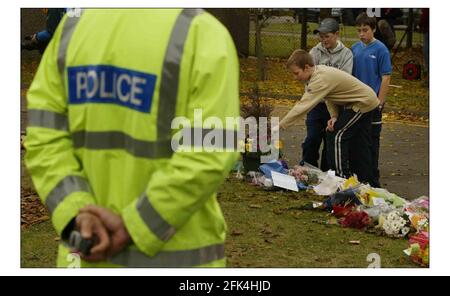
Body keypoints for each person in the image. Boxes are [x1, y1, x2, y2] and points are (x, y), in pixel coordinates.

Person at [24, 9, 240, 267]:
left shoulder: (71, 30)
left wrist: (76, 215)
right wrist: (133, 225)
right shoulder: (202, 34)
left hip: (84, 254)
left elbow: (43, 137)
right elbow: (210, 149)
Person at [277, 50, 379, 184]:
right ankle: (368, 182)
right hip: (359, 102)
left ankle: (340, 179)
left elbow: (303, 106)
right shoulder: (318, 74)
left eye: (296, 73)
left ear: (307, 67)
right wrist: (334, 116)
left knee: (337, 135)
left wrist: (280, 125)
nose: (295, 78)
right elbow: (330, 96)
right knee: (358, 144)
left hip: (363, 103)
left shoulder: (319, 79)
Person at [302, 18, 353, 171]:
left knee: (329, 142)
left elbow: (344, 80)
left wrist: (325, 87)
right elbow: (308, 76)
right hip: (317, 104)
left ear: (337, 34)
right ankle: (307, 170)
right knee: (312, 138)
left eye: (327, 36)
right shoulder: (315, 52)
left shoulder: (346, 54)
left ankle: (326, 174)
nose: (323, 40)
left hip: (336, 106)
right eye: (321, 36)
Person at [351, 13, 392, 188]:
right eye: (359, 30)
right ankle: (359, 176)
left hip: (373, 104)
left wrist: (379, 102)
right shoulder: (354, 48)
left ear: (373, 29)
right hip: (357, 103)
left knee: (372, 141)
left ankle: (374, 181)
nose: (362, 34)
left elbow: (386, 77)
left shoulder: (381, 49)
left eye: (365, 30)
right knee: (357, 140)